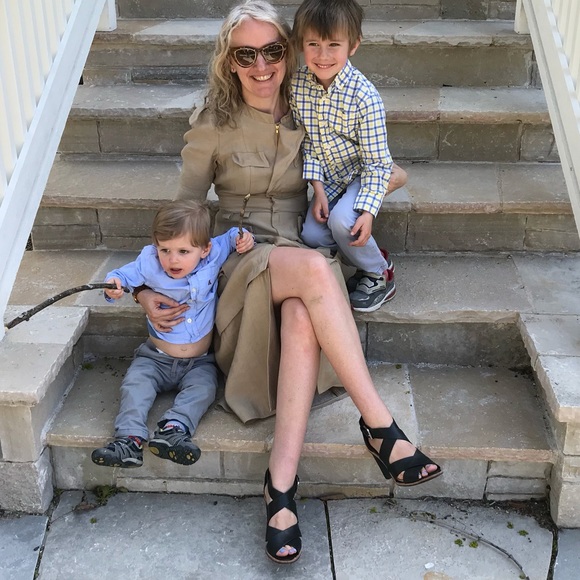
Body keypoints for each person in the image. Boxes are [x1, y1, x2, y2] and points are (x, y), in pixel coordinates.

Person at [135, 0, 441, 564]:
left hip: (298, 249)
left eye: (272, 50)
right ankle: (379, 425)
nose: (261, 65)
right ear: (229, 61)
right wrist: (145, 285)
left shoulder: (311, 102)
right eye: (245, 55)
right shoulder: (212, 124)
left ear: (288, 51)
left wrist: (362, 200)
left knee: (302, 314)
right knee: (316, 272)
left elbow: (386, 168)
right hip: (240, 256)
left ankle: (279, 487)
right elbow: (183, 212)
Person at [91, 200, 254, 469]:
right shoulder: (149, 263)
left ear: (204, 249)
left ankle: (174, 428)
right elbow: (120, 275)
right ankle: (128, 440)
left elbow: (231, 237)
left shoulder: (214, 254)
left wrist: (244, 237)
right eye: (164, 250)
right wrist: (113, 286)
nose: (172, 259)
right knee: (135, 386)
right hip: (155, 357)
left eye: (183, 251)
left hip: (199, 361)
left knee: (204, 389)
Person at [291, 0, 403, 313]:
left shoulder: (364, 97)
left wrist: (367, 212)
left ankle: (379, 272)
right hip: (328, 177)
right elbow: (308, 142)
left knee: (343, 221)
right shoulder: (298, 86)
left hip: (360, 174)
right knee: (311, 234)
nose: (322, 55)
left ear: (353, 45)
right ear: (301, 44)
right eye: (313, 44)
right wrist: (318, 188)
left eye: (333, 45)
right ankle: (360, 256)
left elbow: (377, 164)